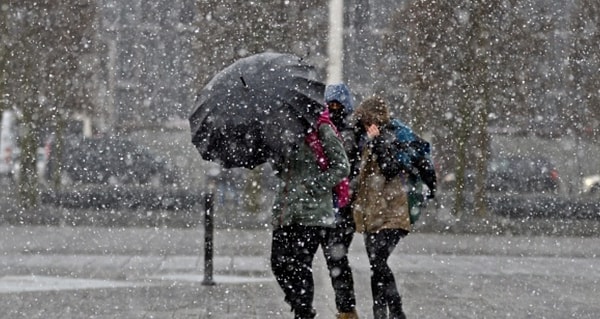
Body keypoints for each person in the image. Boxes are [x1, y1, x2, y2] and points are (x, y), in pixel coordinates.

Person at [270, 109, 350, 319]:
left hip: (312, 212)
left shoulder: (322, 129)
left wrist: (314, 186)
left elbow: (342, 166)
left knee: (299, 265)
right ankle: (301, 307)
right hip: (286, 211)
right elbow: (283, 171)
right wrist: (277, 156)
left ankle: (303, 312)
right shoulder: (284, 131)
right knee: (278, 263)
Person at [351, 96, 411, 319]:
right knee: (376, 264)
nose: (365, 124)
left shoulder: (391, 137)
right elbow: (359, 172)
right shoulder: (364, 140)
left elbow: (390, 169)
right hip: (371, 214)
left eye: (367, 120)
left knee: (378, 262)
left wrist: (377, 143)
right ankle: (380, 313)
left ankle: (395, 311)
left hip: (391, 213)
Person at [322, 83, 360, 319]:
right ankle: (345, 308)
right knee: (335, 258)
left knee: (336, 257)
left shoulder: (348, 132)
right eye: (331, 104)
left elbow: (346, 165)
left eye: (338, 105)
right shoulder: (327, 129)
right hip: (332, 203)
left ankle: (346, 308)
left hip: (342, 204)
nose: (334, 109)